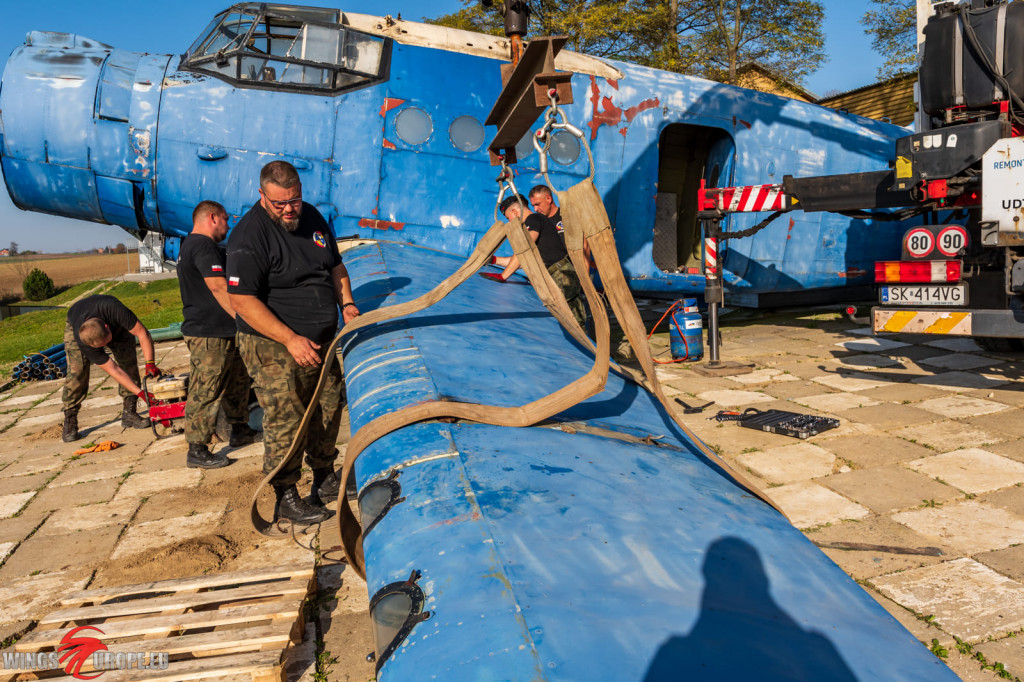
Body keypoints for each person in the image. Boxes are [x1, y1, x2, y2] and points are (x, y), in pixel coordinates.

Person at [227, 161, 360, 526]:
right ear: (262, 196)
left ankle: (323, 474)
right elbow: (242, 301)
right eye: (279, 204)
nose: (289, 209)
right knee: (288, 416)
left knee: (329, 405)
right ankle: (285, 494)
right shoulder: (248, 237)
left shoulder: (312, 217)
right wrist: (290, 338)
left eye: (295, 201)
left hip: (320, 339)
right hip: (273, 342)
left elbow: (335, 266)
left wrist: (346, 303)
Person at [177, 200, 260, 469]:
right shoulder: (201, 245)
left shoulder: (194, 245)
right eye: (226, 218)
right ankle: (197, 448)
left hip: (222, 331)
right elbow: (218, 287)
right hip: (208, 332)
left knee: (238, 380)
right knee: (207, 388)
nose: (228, 224)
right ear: (212, 217)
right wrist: (245, 317)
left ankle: (240, 430)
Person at [61, 295, 160, 442]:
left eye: (106, 342)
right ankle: (70, 418)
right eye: (100, 347)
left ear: (107, 327)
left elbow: (142, 333)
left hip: (113, 322)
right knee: (77, 371)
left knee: (128, 361)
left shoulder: (116, 311)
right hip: (76, 318)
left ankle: (129, 413)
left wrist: (150, 363)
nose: (106, 347)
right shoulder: (84, 340)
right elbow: (113, 370)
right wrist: (141, 393)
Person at [487, 193, 587, 329]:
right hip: (556, 275)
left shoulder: (533, 219)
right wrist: (494, 260)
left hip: (562, 276)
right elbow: (521, 260)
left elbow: (524, 249)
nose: (509, 221)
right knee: (569, 321)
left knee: (575, 323)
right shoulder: (535, 221)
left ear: (515, 212)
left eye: (508, 218)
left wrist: (503, 276)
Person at [529, 184, 593, 267]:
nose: (535, 209)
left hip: (573, 272)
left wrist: (584, 277)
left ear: (548, 199)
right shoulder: (538, 223)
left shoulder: (567, 216)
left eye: (537, 204)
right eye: (533, 206)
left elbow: (584, 246)